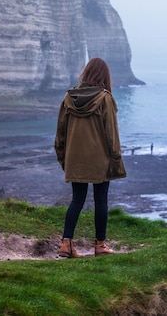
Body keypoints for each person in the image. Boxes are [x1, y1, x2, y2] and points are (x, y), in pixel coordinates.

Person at [54, 57, 126, 258]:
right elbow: (112, 135)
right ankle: (100, 245)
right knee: (101, 201)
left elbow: (60, 135)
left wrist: (64, 160)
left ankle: (66, 244)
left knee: (77, 200)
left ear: (86, 73)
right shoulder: (105, 99)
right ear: (104, 76)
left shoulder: (69, 98)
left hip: (75, 160)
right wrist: (116, 159)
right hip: (100, 160)